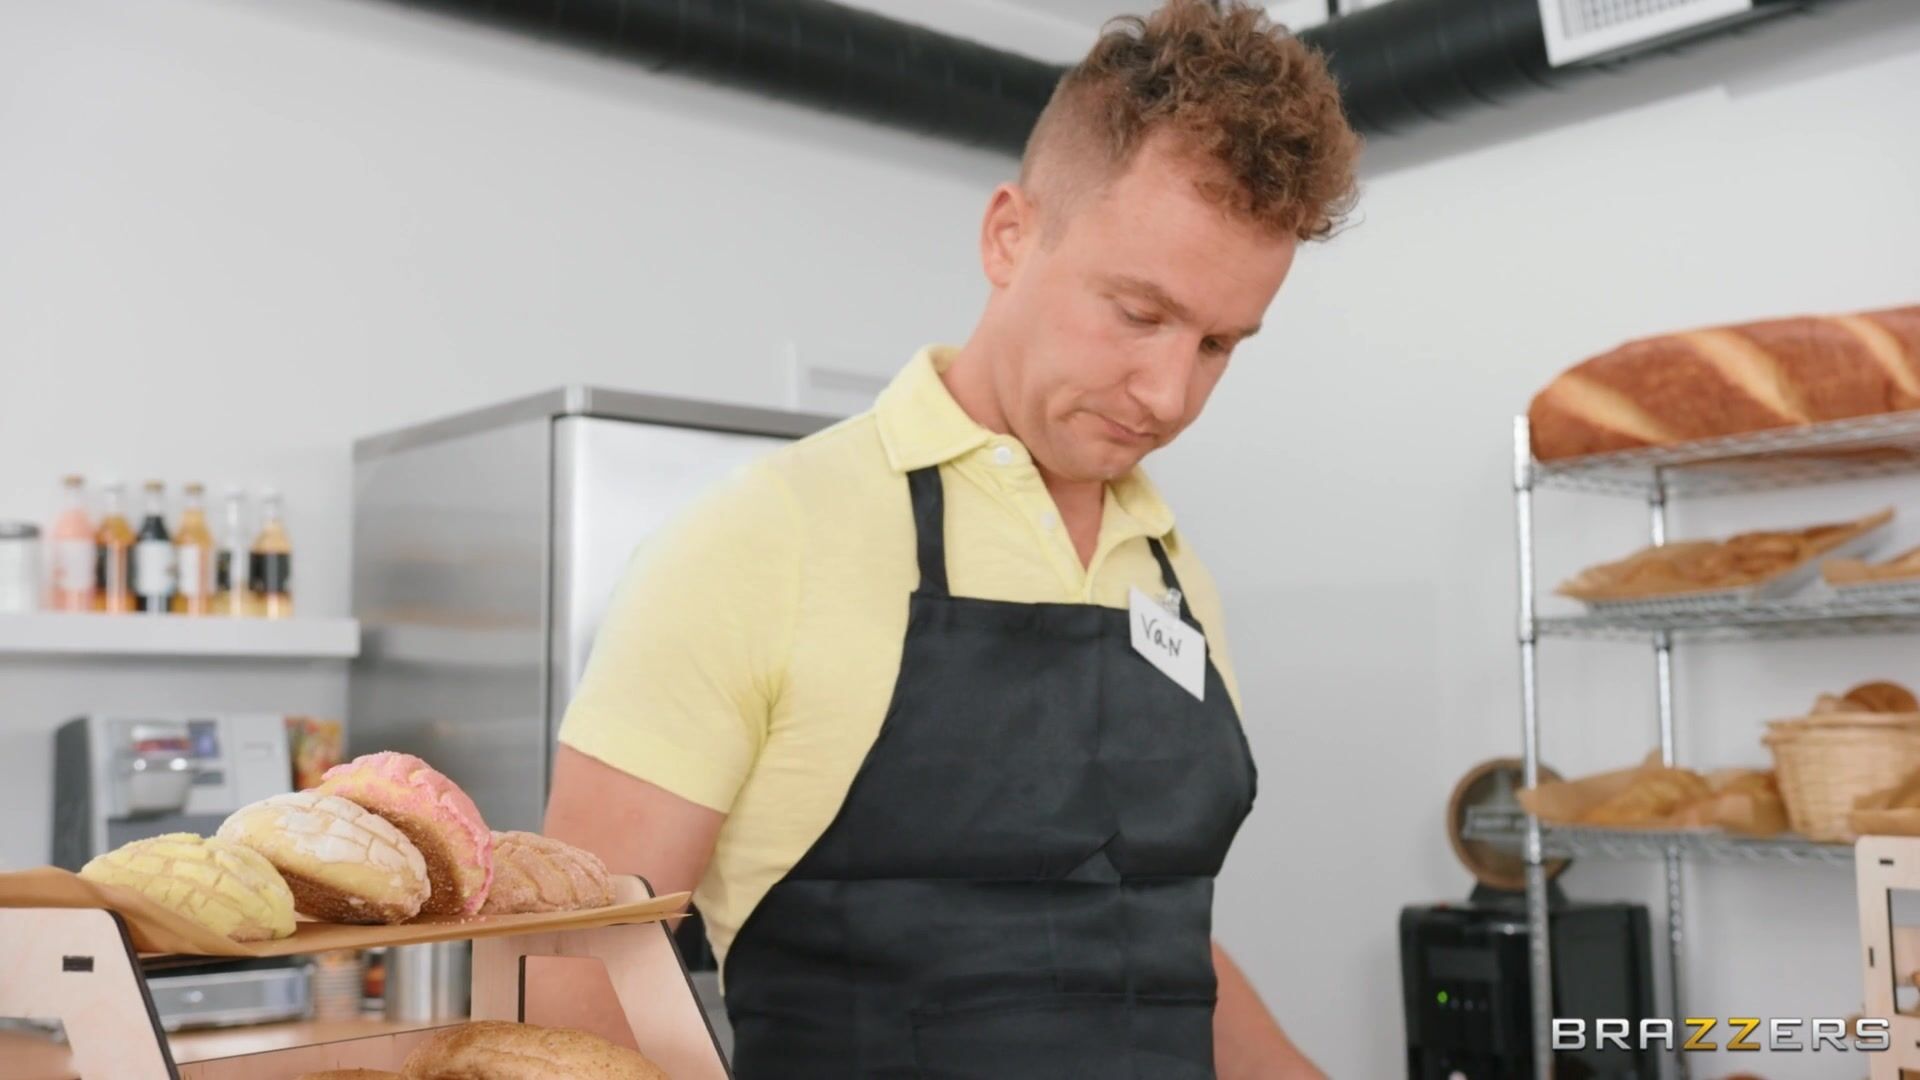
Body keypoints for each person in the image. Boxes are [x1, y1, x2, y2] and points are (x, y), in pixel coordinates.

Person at [546, 1, 1360, 1075]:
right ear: (1009, 237)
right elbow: (579, 969)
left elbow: (1146, 942)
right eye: (1138, 313)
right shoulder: (759, 540)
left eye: (1219, 344)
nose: (1169, 394)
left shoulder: (1169, 569)